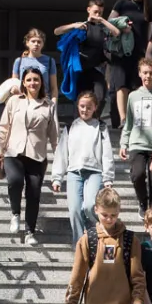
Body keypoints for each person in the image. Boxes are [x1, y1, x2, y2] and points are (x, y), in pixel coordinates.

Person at [0, 68, 58, 245]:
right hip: (14, 151)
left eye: (36, 80)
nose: (32, 83)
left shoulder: (48, 105)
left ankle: (30, 231)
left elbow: (54, 134)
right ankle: (15, 213)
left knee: (34, 192)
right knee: (14, 181)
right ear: (23, 82)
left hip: (37, 155)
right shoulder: (14, 101)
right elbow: (3, 127)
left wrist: (59, 158)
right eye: (28, 80)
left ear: (41, 82)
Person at [51, 91, 115, 245]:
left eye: (89, 107)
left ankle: (95, 232)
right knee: (74, 210)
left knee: (89, 206)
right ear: (77, 106)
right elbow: (61, 153)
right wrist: (57, 178)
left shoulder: (100, 127)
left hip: (95, 172)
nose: (85, 110)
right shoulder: (70, 127)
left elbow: (107, 152)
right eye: (82, 106)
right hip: (74, 173)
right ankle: (79, 245)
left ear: (95, 108)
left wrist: (108, 177)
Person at [119, 58, 152, 217]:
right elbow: (129, 121)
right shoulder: (133, 96)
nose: (148, 76)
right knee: (137, 174)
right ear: (140, 73)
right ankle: (142, 201)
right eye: (145, 72)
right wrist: (124, 142)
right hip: (137, 143)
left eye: (151, 73)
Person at [55, 0, 119, 116]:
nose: (97, 15)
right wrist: (74, 25)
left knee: (100, 95)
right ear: (88, 10)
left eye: (100, 12)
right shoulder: (83, 27)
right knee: (80, 100)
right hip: (80, 70)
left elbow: (116, 32)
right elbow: (57, 31)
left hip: (94, 69)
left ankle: (95, 120)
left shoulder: (103, 29)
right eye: (95, 12)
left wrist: (102, 20)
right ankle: (79, 122)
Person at [108, 0, 150, 129]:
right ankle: (123, 120)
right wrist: (122, 26)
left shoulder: (147, 6)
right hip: (121, 52)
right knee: (122, 85)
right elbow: (109, 21)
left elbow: (150, 30)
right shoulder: (122, 3)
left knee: (137, 87)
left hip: (139, 52)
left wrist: (148, 52)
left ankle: (135, 119)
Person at [11, 28, 59, 103]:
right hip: (23, 101)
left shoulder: (49, 61)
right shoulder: (19, 61)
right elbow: (14, 85)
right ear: (27, 43)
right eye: (33, 41)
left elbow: (54, 88)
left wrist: (54, 103)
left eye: (39, 42)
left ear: (43, 44)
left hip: (44, 101)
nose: (36, 44)